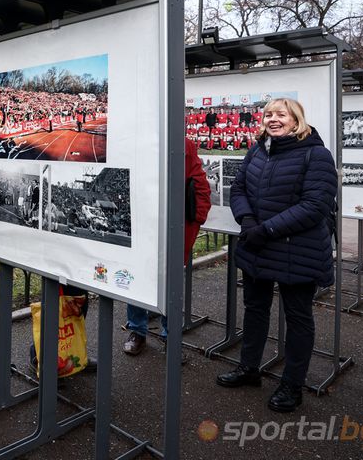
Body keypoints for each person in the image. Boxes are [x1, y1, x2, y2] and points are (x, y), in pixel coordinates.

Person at [215, 98, 336, 414]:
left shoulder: (317, 155)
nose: (273, 119)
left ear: (296, 120)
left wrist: (265, 230)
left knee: (298, 319)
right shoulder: (258, 149)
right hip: (258, 247)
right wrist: (248, 220)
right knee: (255, 309)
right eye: (268, 114)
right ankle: (248, 368)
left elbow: (314, 206)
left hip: (298, 251)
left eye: (281, 114)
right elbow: (238, 189)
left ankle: (292, 386)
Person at [124, 138, 211, 355]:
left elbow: (200, 185)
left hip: (172, 228)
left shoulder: (184, 145)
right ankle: (137, 331)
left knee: (171, 285)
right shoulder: (132, 140)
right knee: (137, 279)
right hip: (142, 226)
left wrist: (194, 223)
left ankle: (171, 336)